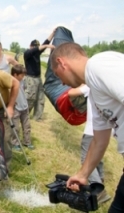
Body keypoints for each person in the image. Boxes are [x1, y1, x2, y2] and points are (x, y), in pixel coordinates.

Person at [50, 42, 124, 212]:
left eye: (57, 74)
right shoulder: (93, 93)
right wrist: (83, 175)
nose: (61, 83)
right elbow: (99, 140)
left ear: (62, 63)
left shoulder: (99, 65)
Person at [68, 84, 111, 203]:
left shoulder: (91, 84)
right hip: (104, 129)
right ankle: (100, 181)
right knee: (97, 157)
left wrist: (82, 84)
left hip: (92, 129)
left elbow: (72, 93)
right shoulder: (104, 84)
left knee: (86, 159)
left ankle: (98, 191)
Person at [23, 29, 55, 121]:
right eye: (34, 46)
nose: (36, 48)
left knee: (40, 98)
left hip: (38, 78)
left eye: (37, 46)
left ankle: (38, 117)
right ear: (30, 46)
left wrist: (53, 33)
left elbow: (45, 43)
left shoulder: (37, 53)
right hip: (30, 79)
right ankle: (25, 115)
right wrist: (47, 46)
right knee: (30, 98)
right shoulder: (27, 53)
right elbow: (38, 48)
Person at [11, 64, 34, 150]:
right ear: (15, 75)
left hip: (24, 107)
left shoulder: (23, 81)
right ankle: (15, 143)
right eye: (22, 75)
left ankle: (27, 142)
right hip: (16, 109)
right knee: (15, 127)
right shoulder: (10, 82)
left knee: (27, 126)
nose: (23, 76)